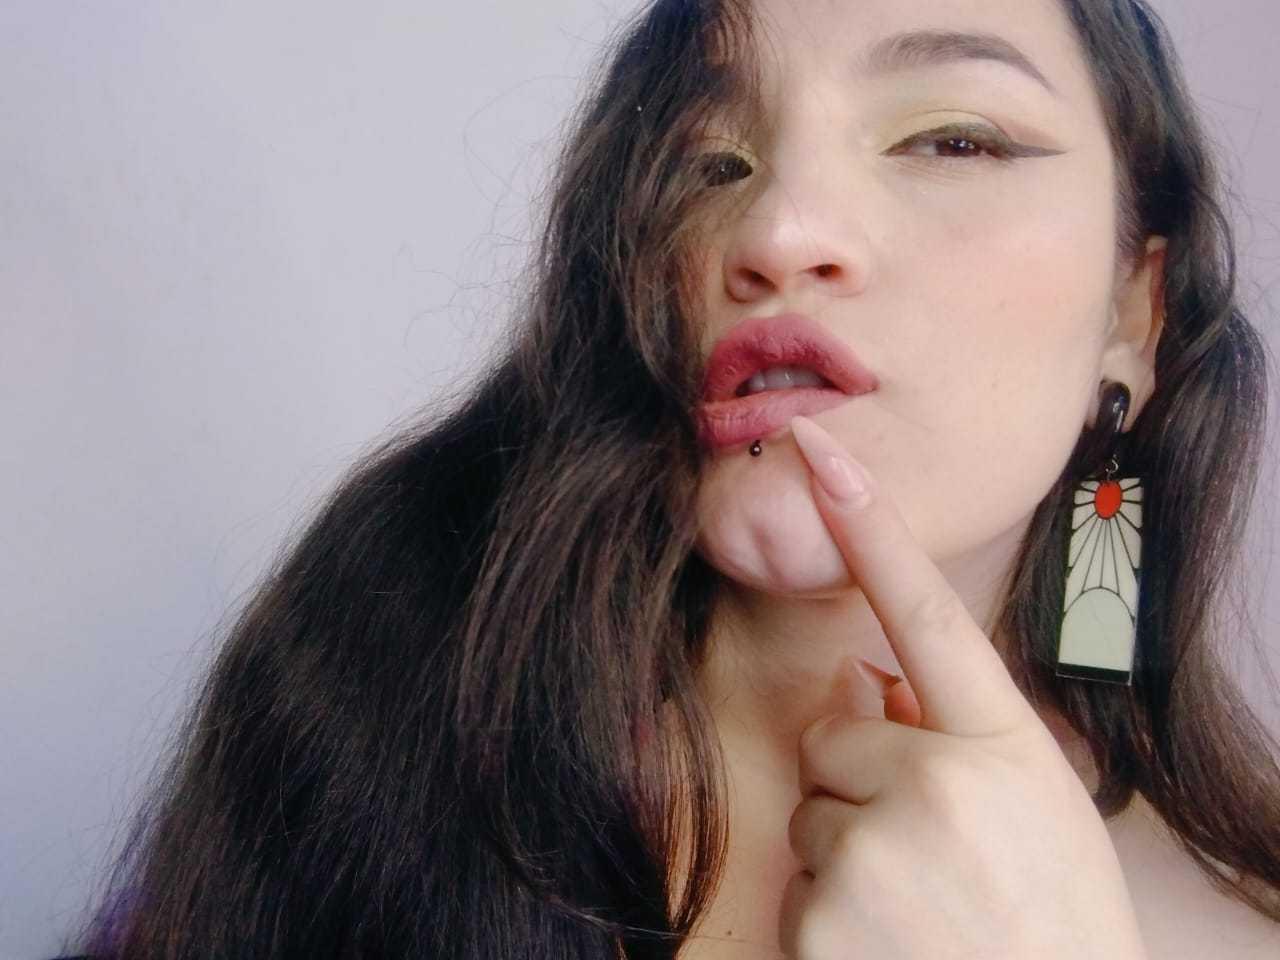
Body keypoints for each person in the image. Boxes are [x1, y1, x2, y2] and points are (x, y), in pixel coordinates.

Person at [59, 0, 1280, 957]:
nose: (775, 232)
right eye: (710, 163)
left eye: (948, 139)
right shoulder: (368, 693)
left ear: (1133, 312)